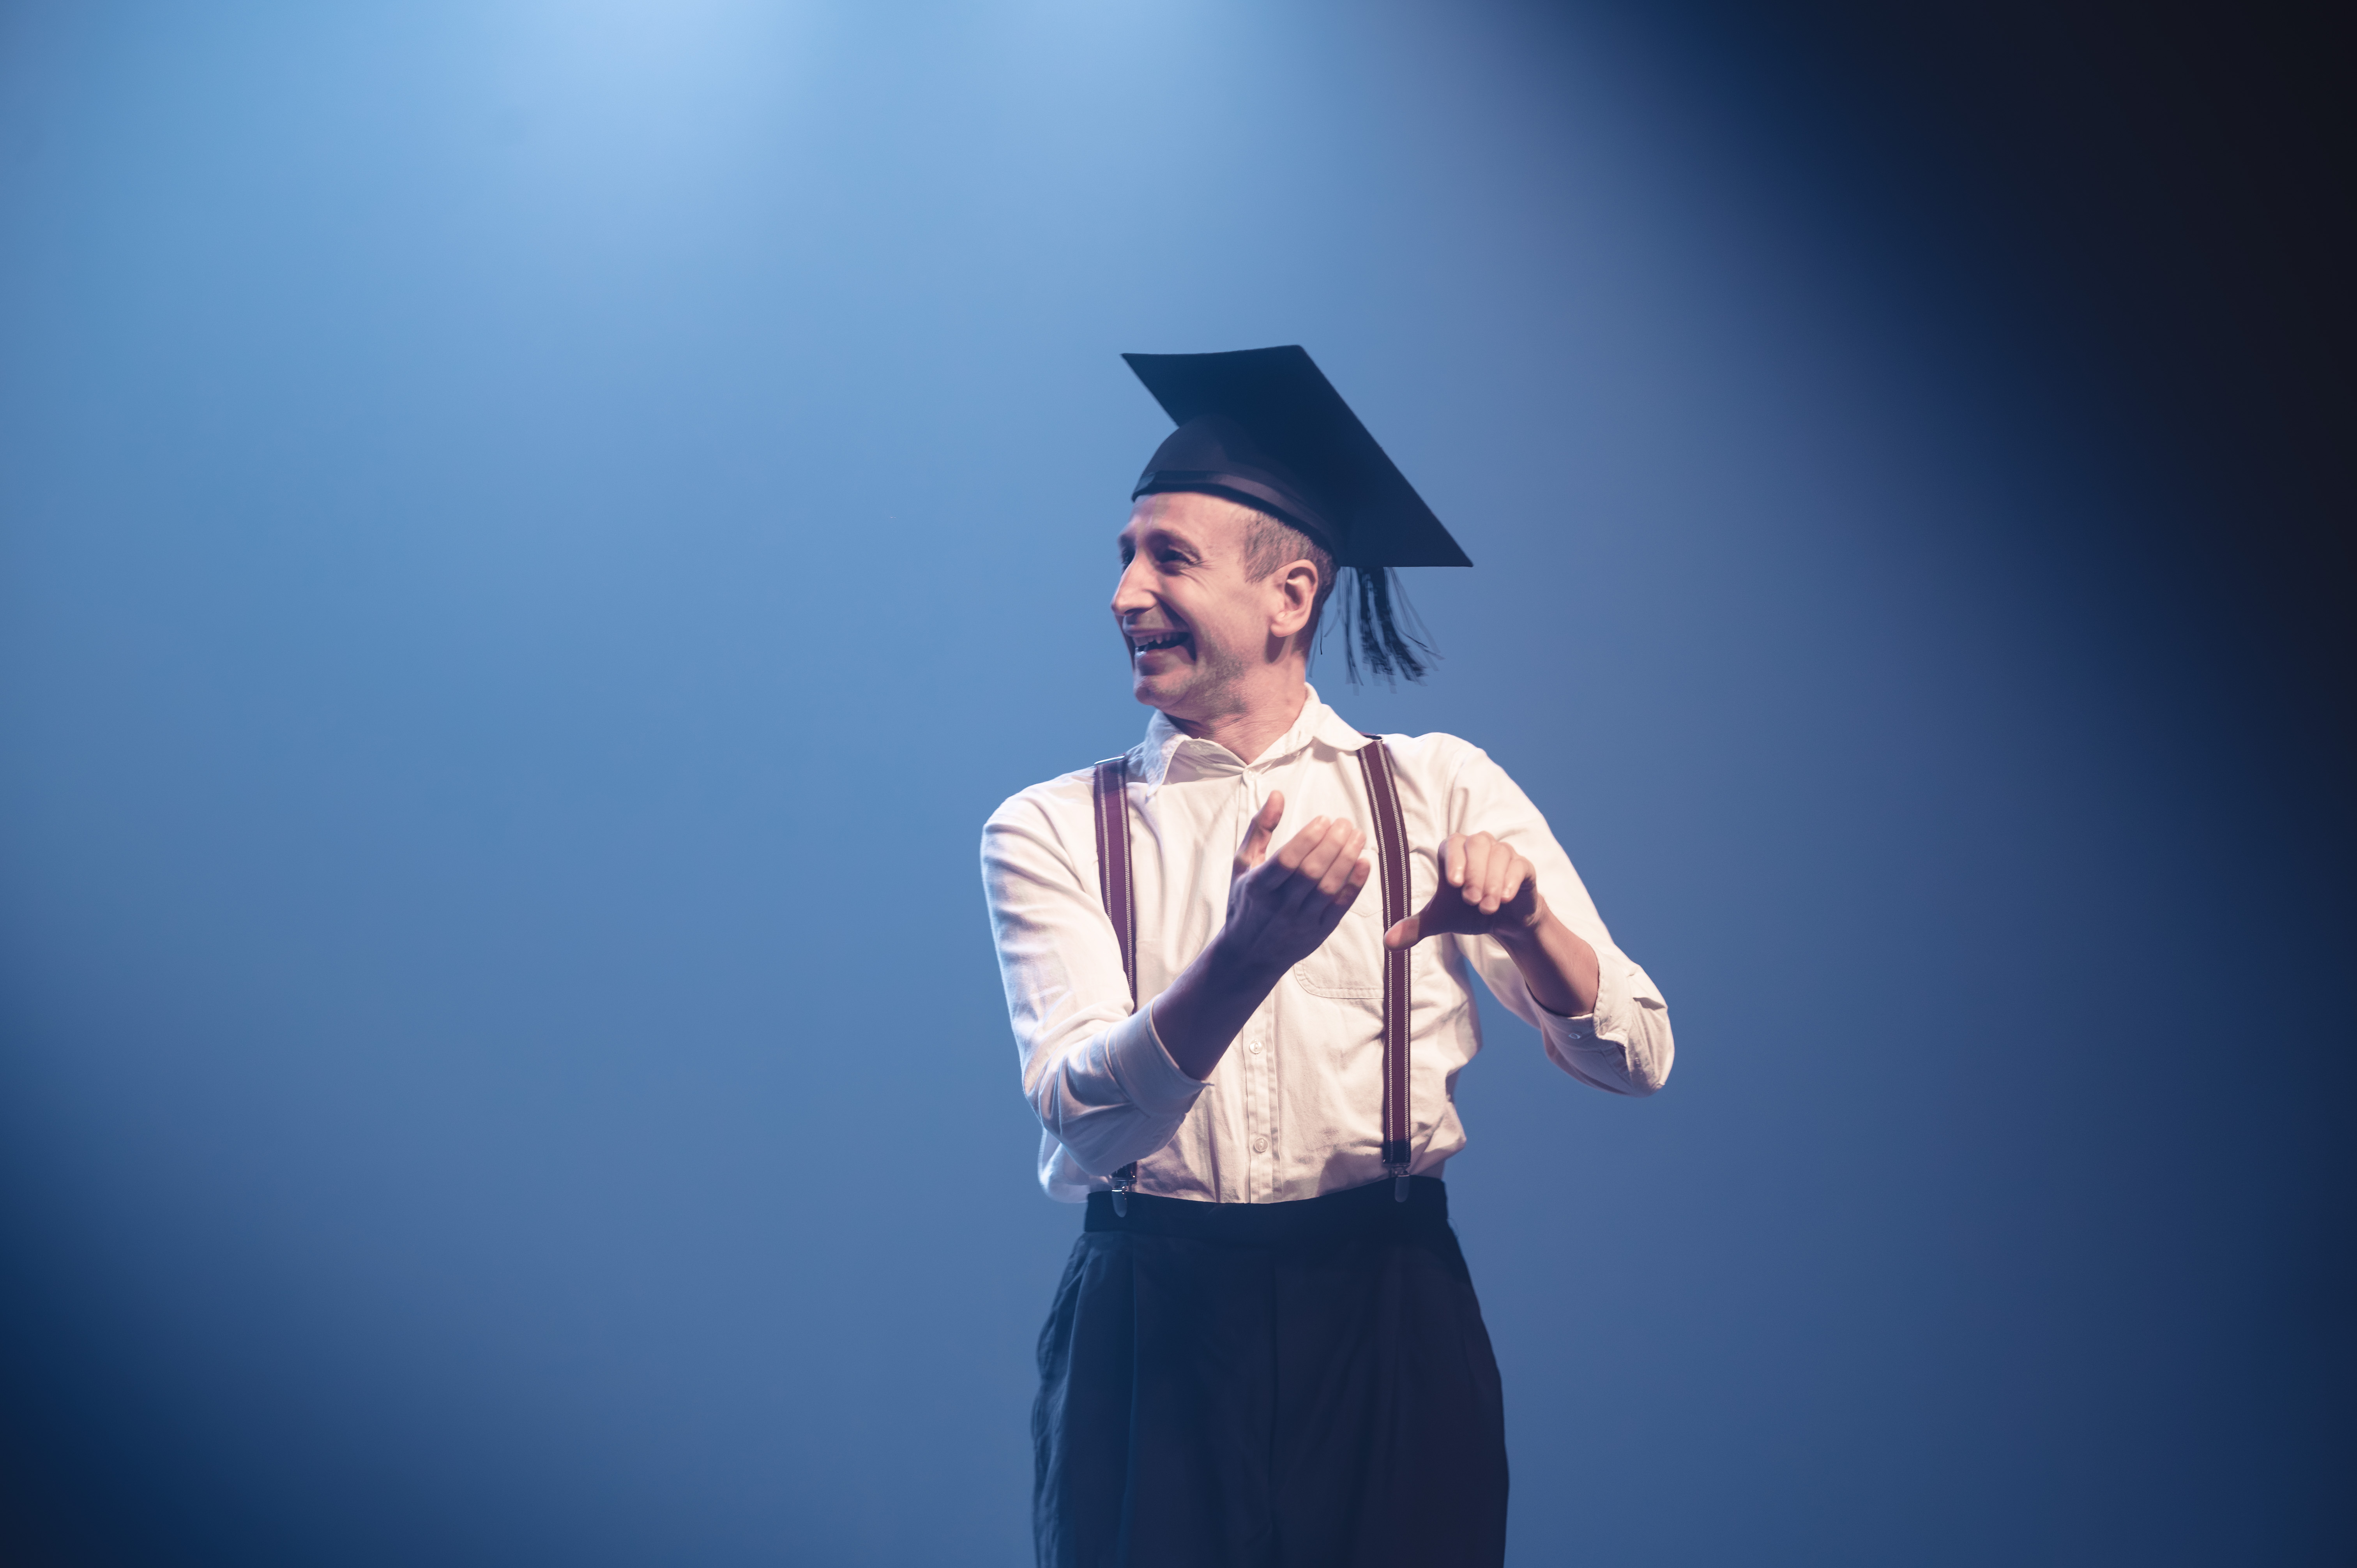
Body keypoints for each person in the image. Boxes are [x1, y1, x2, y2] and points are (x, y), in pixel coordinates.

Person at [981, 346, 1673, 1568]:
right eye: (1125, 556)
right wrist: (1244, 957)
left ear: (1291, 596)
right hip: (1152, 1319)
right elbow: (1086, 1122)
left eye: (1168, 558)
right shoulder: (1049, 828)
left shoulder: (1440, 789)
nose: (1126, 593)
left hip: (1389, 1307)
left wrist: (1529, 926)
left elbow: (1640, 1056)